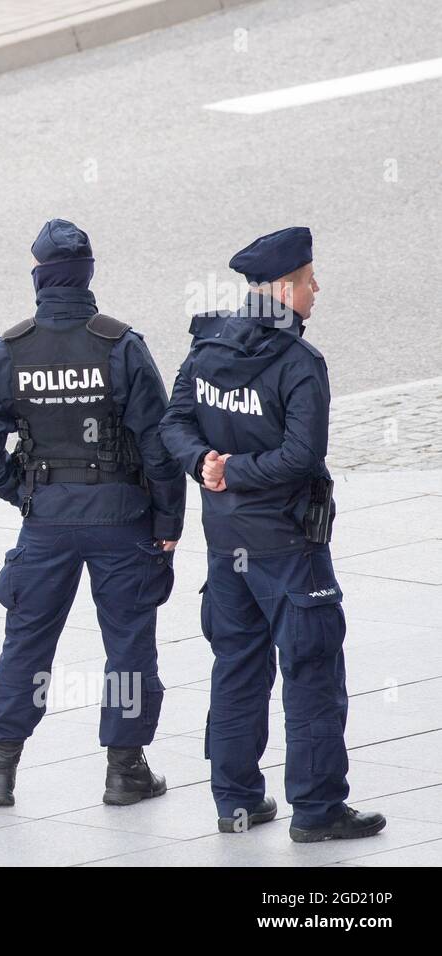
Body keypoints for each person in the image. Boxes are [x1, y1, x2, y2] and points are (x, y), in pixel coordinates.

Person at [160, 226, 386, 842]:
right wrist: (232, 467)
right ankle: (317, 811)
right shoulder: (299, 364)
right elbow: (302, 456)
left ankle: (236, 801)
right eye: (311, 280)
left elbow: (174, 421)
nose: (318, 289)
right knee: (311, 675)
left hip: (223, 542)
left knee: (236, 668)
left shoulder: (208, 346)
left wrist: (206, 465)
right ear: (285, 289)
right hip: (289, 548)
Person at [0, 219, 185, 807]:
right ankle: (125, 769)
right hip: (122, 517)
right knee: (130, 644)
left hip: (47, 523)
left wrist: (28, 493)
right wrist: (167, 525)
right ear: (87, 277)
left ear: (38, 278)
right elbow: (161, 445)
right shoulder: (121, 345)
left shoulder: (11, 349)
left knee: (27, 643)